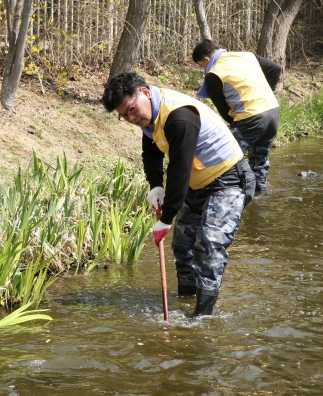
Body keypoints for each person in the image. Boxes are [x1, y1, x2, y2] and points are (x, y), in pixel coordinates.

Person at [101, 72, 255, 317]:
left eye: (131, 109)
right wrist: (154, 185)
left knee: (210, 243)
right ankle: (186, 300)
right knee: (183, 244)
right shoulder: (150, 117)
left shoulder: (179, 116)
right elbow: (151, 152)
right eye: (124, 116)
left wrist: (166, 218)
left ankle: (202, 317)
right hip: (198, 185)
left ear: (144, 92)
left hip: (229, 181)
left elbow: (179, 170)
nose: (131, 117)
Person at [192, 39, 281, 194]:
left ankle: (222, 194)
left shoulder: (213, 74)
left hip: (249, 118)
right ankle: (259, 196)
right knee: (260, 159)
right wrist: (266, 91)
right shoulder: (247, 56)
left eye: (201, 65)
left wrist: (236, 123)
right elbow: (275, 69)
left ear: (206, 59)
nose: (203, 68)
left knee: (226, 158)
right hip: (273, 111)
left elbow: (224, 111)